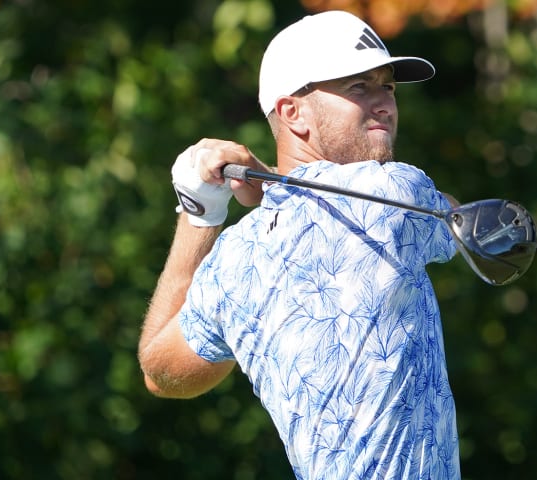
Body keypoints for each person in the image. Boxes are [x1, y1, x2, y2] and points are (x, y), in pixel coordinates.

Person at [138, 10, 461, 479]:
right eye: (359, 87)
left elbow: (160, 373)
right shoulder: (396, 192)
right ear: (293, 112)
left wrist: (200, 213)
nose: (385, 103)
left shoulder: (237, 259)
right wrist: (270, 184)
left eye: (387, 86)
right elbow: (457, 218)